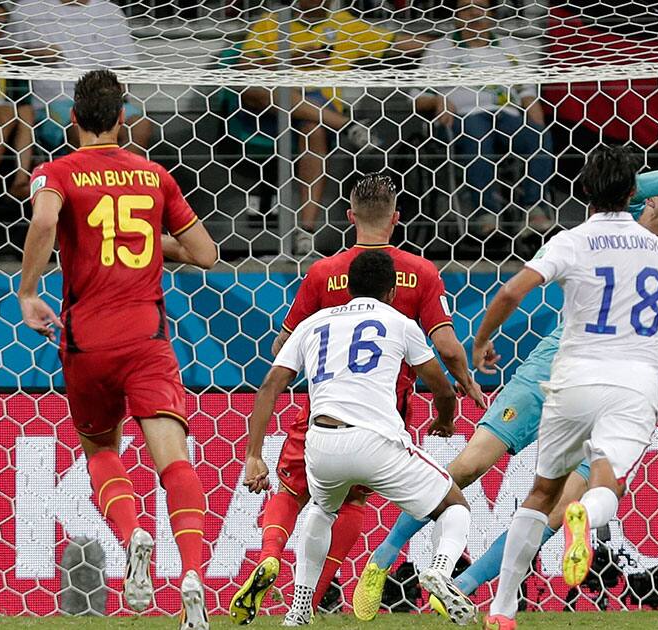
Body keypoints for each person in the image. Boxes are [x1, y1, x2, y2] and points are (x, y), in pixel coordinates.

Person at [357, 106, 658, 615]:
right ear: (643, 199)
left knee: (556, 505)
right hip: (561, 368)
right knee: (472, 466)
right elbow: (629, 184)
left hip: (585, 376)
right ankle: (384, 558)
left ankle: (465, 585)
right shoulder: (620, 220)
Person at [474, 144, 658, 629]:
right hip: (633, 384)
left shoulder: (572, 240)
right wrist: (647, 339)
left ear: (585, 191)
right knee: (606, 484)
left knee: (541, 494)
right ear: (633, 193)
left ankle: (501, 611)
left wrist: (483, 339)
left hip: (573, 380)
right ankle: (584, 512)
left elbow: (511, 291)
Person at [229, 173, 484, 626]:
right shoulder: (417, 280)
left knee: (313, 504)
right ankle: (442, 573)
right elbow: (444, 356)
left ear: (349, 217)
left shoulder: (322, 282)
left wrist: (252, 455)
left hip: (319, 429)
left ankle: (298, 606)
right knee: (451, 505)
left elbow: (272, 374)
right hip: (382, 424)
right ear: (397, 219)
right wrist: (460, 393)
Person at [17, 70, 217, 629]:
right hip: (146, 340)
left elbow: (45, 218)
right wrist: (148, 239)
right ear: (123, 119)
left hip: (87, 343)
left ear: (72, 120)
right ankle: (194, 576)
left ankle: (133, 535)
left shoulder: (53, 171)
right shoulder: (155, 175)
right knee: (174, 461)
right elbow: (204, 253)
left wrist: (29, 291)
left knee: (102, 449)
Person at [240, 0, 427, 255]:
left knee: (312, 126)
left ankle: (305, 232)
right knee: (258, 90)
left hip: (318, 116)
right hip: (269, 116)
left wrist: (449, 43)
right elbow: (243, 68)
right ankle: (350, 126)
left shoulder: (345, 24)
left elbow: (397, 42)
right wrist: (291, 62)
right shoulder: (272, 22)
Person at [413, 0, 554, 238]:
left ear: (491, 12)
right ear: (456, 14)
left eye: (480, 6)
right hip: (461, 118)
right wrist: (438, 101)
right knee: (477, 130)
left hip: (505, 116)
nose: (474, 12)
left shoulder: (508, 46)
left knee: (537, 135)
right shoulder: (440, 48)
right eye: (466, 6)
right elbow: (417, 97)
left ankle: (534, 210)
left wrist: (535, 116)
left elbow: (527, 92)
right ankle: (485, 214)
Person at [7, 0, 152, 155]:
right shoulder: (28, 9)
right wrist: (32, 55)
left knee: (140, 127)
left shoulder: (110, 12)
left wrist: (108, 96)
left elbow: (124, 68)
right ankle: (84, 177)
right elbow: (1, 55)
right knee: (81, 131)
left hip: (104, 101)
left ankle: (117, 177)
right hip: (53, 103)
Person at [0, 2, 34, 199]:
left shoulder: (3, 56)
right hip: (0, 113)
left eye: (0, 23)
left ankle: (20, 181)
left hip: (0, 112)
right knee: (7, 113)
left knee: (26, 111)